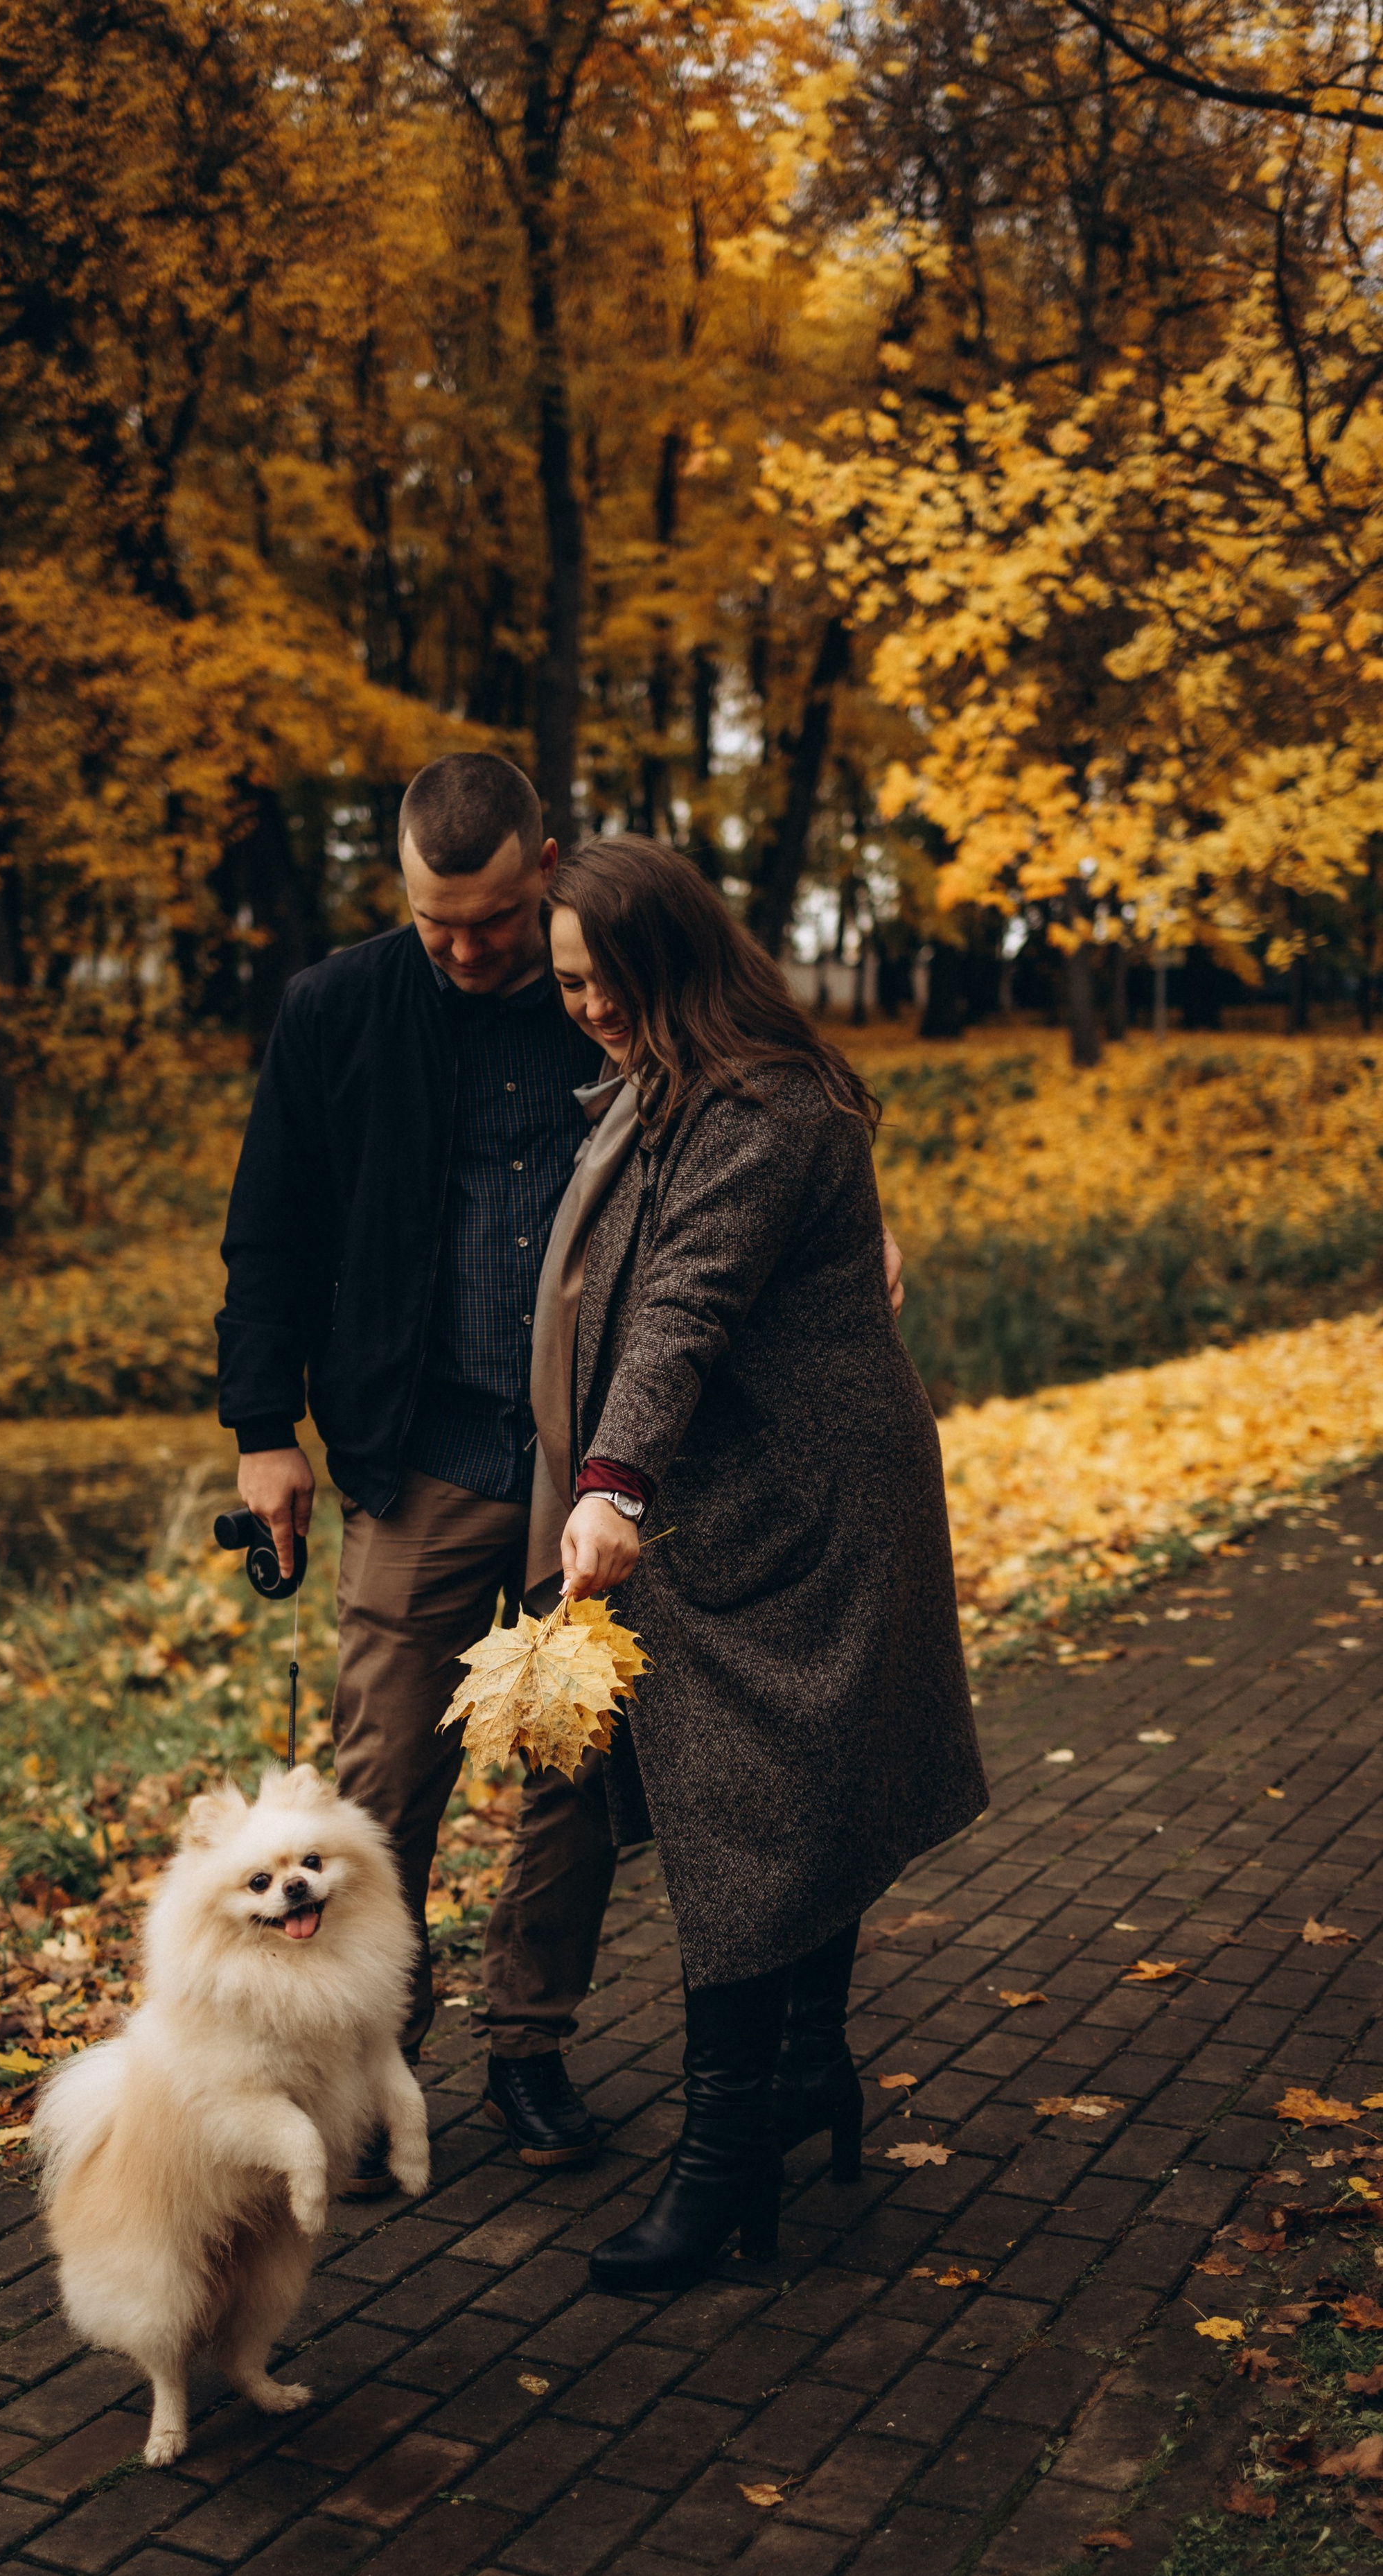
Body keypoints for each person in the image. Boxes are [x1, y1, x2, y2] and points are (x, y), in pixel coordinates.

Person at [217, 755, 906, 2191]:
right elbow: (269, 1231)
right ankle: (364, 2064)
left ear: (543, 866)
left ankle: (526, 2048)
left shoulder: (616, 988)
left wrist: (851, 1236)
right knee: (380, 1775)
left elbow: (755, 1149)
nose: (463, 949)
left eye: (485, 918)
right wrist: (261, 1430)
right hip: (414, 1455)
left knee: (577, 1779)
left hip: (589, 1460)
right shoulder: (338, 1008)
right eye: (431, 920)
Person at [525, 835, 988, 2293]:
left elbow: (684, 1301)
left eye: (600, 978)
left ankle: (723, 2159)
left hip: (806, 1511)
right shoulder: (675, 1091)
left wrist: (608, 1479)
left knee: (759, 1819)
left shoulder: (763, 1105)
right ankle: (804, 2074)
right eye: (564, 984)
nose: (584, 1005)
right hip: (740, 1498)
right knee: (788, 1805)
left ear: (665, 960)